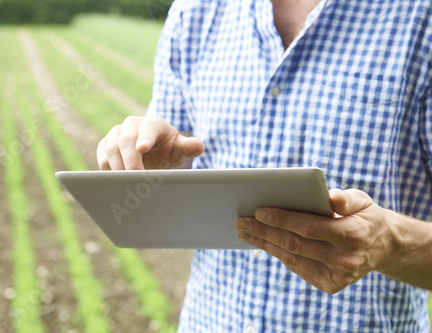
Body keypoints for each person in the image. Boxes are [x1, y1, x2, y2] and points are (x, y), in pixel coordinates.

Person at [97, 0, 432, 331]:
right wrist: (148, 162)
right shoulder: (194, 9)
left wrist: (390, 244)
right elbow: (175, 155)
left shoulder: (421, 16)